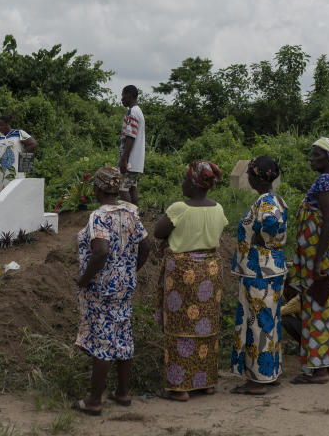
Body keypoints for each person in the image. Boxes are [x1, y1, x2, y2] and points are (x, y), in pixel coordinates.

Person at [72, 167, 151, 416]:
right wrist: (131, 270)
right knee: (123, 336)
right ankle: (122, 393)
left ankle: (94, 401)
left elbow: (101, 250)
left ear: (97, 189)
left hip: (102, 288)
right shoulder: (130, 213)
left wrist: (84, 279)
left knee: (103, 343)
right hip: (125, 287)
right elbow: (146, 245)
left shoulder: (99, 217)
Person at [153, 161, 228, 401]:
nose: (182, 183)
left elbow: (158, 231)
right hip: (210, 272)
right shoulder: (218, 209)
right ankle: (205, 382)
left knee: (179, 327)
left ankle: (180, 387)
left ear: (194, 184)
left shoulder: (179, 209)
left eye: (185, 179)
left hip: (184, 274)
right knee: (206, 326)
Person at [288, 137, 329, 384]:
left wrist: (317, 261)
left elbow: (328, 219)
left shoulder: (326, 180)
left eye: (315, 154)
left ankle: (319, 371)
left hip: (324, 255)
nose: (311, 157)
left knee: (317, 308)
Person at [230, 157, 288, 394]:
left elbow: (272, 222)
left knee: (256, 324)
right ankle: (269, 375)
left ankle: (257, 381)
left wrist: (262, 238)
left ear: (256, 177)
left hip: (260, 272)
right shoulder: (274, 199)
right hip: (269, 269)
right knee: (269, 323)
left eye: (250, 173)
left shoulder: (266, 202)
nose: (248, 177)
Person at [0, 115, 38, 197]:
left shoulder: (18, 133)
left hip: (15, 171)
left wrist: (24, 164)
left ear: (8, 124)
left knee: (15, 195)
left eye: (1, 125)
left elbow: (33, 144)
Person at [118, 86, 146, 206]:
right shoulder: (138, 111)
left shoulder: (133, 112)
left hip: (130, 161)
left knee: (122, 189)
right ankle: (136, 218)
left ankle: (131, 219)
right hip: (135, 161)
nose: (122, 99)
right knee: (132, 187)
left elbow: (130, 136)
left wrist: (124, 159)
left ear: (129, 95)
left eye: (123, 95)